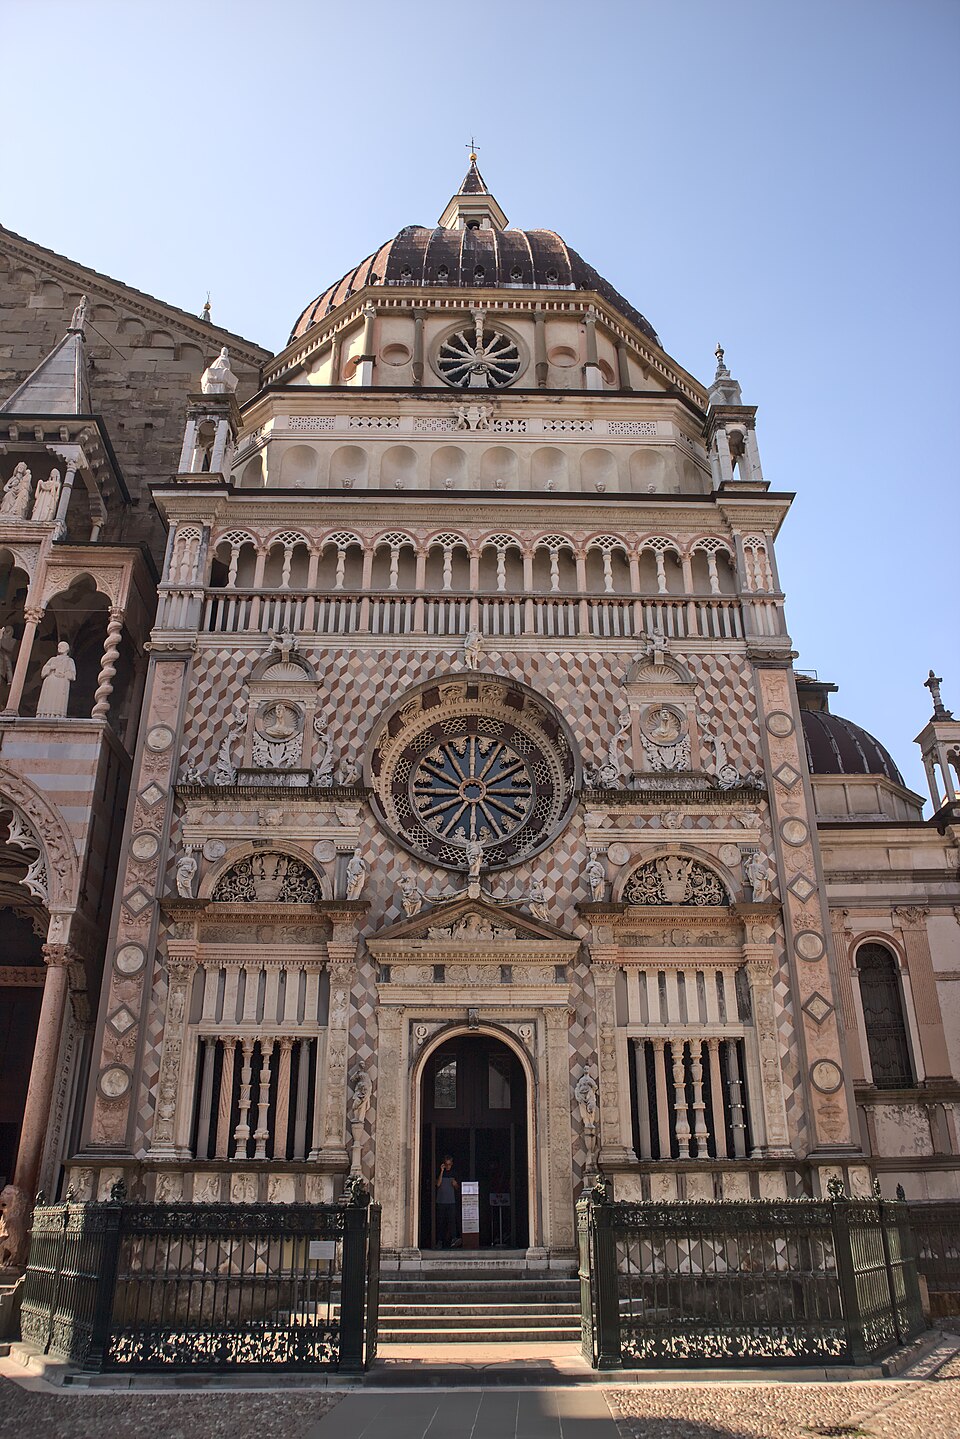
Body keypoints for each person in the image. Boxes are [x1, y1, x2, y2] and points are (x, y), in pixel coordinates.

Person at [435, 1155, 460, 1249]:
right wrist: (441, 1171)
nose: (448, 1166)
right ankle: (439, 1241)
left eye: (449, 1164)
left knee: (452, 1221)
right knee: (441, 1222)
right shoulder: (440, 1172)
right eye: (446, 1164)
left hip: (451, 1201)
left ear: (452, 1164)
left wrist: (455, 1184)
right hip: (441, 1201)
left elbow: (457, 1188)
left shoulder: (454, 1173)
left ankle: (454, 1239)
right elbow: (438, 1184)